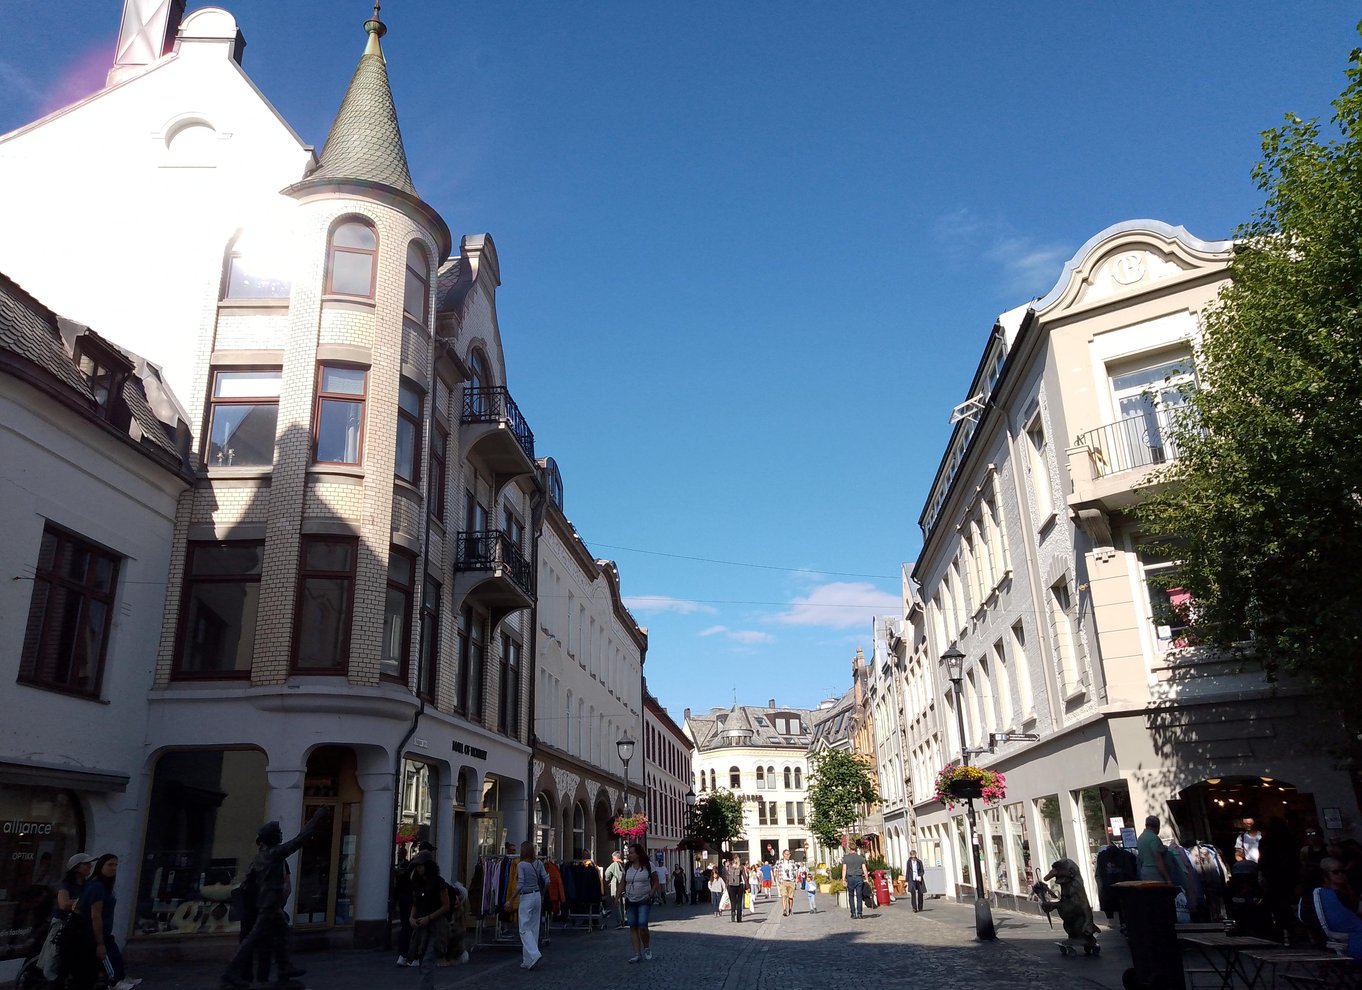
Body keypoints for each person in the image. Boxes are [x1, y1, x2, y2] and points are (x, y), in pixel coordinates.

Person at [221, 808, 328, 989]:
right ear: (271, 838)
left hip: (268, 903)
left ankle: (284, 966)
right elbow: (299, 840)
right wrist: (316, 818)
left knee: (281, 932)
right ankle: (230, 972)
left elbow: (248, 882)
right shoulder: (272, 854)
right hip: (269, 904)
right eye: (278, 834)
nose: (280, 836)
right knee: (253, 939)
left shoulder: (259, 857)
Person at [80, 854, 141, 990]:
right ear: (101, 866)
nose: (113, 868)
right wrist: (99, 942)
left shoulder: (103, 886)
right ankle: (114, 982)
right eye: (110, 865)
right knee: (106, 956)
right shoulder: (97, 887)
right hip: (93, 933)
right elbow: (96, 916)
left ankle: (121, 977)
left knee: (115, 954)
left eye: (115, 865)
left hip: (104, 932)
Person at [407, 852, 450, 989]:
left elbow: (446, 905)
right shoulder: (417, 882)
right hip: (421, 925)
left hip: (437, 925)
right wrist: (411, 918)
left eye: (421, 866)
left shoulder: (438, 882)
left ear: (428, 866)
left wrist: (429, 917)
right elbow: (415, 903)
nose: (419, 869)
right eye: (417, 866)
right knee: (420, 957)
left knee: (428, 959)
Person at [1314, 857, 1362, 959]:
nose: (1341, 875)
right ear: (1326, 874)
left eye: (1342, 871)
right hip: (1345, 938)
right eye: (1335, 872)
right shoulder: (1328, 896)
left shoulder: (1346, 892)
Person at [622, 843, 660, 962]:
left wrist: (651, 894)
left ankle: (646, 947)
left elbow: (656, 881)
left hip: (644, 899)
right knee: (633, 926)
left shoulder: (649, 866)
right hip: (630, 900)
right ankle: (637, 954)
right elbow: (622, 882)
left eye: (632, 853)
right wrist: (618, 895)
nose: (629, 855)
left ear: (638, 854)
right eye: (629, 853)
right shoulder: (627, 867)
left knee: (643, 925)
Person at [516, 841, 549, 970]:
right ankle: (527, 960)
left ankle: (534, 954)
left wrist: (511, 899)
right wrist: (543, 895)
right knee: (534, 928)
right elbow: (547, 880)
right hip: (537, 896)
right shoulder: (539, 863)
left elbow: (520, 885)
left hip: (526, 897)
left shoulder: (521, 865)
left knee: (524, 928)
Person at [1136, 815, 1172, 883]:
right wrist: (1168, 878)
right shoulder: (1154, 838)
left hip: (1144, 871)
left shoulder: (1140, 838)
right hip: (1155, 871)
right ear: (1157, 826)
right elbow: (1158, 859)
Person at [842, 841, 870, 920]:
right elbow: (864, 869)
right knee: (859, 896)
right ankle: (860, 913)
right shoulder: (860, 858)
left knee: (851, 896)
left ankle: (853, 913)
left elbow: (844, 869)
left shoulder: (846, 858)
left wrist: (843, 879)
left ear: (849, 848)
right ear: (855, 848)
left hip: (850, 878)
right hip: (859, 878)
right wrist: (867, 879)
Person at [604, 851, 627, 929]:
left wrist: (609, 879)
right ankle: (625, 920)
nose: (612, 859)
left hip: (616, 887)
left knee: (617, 904)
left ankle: (619, 922)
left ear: (615, 857)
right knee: (623, 905)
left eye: (613, 857)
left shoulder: (614, 864)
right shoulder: (623, 865)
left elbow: (607, 873)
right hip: (624, 887)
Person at [721, 854, 745, 923]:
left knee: (733, 901)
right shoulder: (741, 867)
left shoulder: (730, 867)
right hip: (739, 885)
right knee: (739, 902)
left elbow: (727, 877)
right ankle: (739, 918)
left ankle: (733, 913)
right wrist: (747, 886)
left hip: (731, 886)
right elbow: (745, 877)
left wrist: (726, 885)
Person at [776, 850, 798, 916]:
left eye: (789, 854)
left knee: (791, 897)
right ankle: (784, 910)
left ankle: (790, 909)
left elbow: (796, 870)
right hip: (783, 881)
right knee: (784, 895)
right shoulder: (779, 862)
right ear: (783, 854)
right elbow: (776, 870)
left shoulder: (792, 862)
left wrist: (796, 879)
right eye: (786, 854)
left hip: (791, 881)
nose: (788, 855)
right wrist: (778, 879)